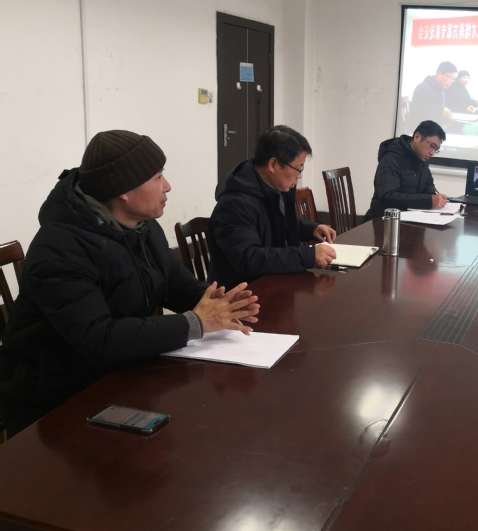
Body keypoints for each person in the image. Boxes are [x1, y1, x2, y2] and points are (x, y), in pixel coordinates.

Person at [0, 130, 260, 437]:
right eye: (157, 177)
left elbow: (173, 283)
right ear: (124, 189)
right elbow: (100, 339)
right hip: (55, 400)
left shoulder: (143, 226)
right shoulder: (59, 249)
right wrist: (197, 322)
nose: (167, 186)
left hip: (122, 372)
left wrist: (221, 304)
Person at [208, 125, 337, 286]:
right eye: (298, 168)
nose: (299, 176)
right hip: (245, 291)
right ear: (273, 164)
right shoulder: (234, 204)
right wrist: (308, 255)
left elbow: (277, 223)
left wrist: (311, 229)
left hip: (275, 279)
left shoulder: (272, 185)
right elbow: (249, 259)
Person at [363, 120, 447, 222]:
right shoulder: (391, 159)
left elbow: (428, 187)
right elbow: (388, 197)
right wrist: (428, 201)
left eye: (436, 149)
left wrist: (435, 197)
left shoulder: (421, 160)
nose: (432, 153)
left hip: (410, 220)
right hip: (383, 222)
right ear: (417, 137)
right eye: (432, 146)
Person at [407, 61, 457, 131]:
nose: (450, 81)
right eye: (449, 77)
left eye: (453, 79)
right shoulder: (423, 88)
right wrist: (440, 111)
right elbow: (421, 112)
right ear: (439, 73)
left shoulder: (440, 88)